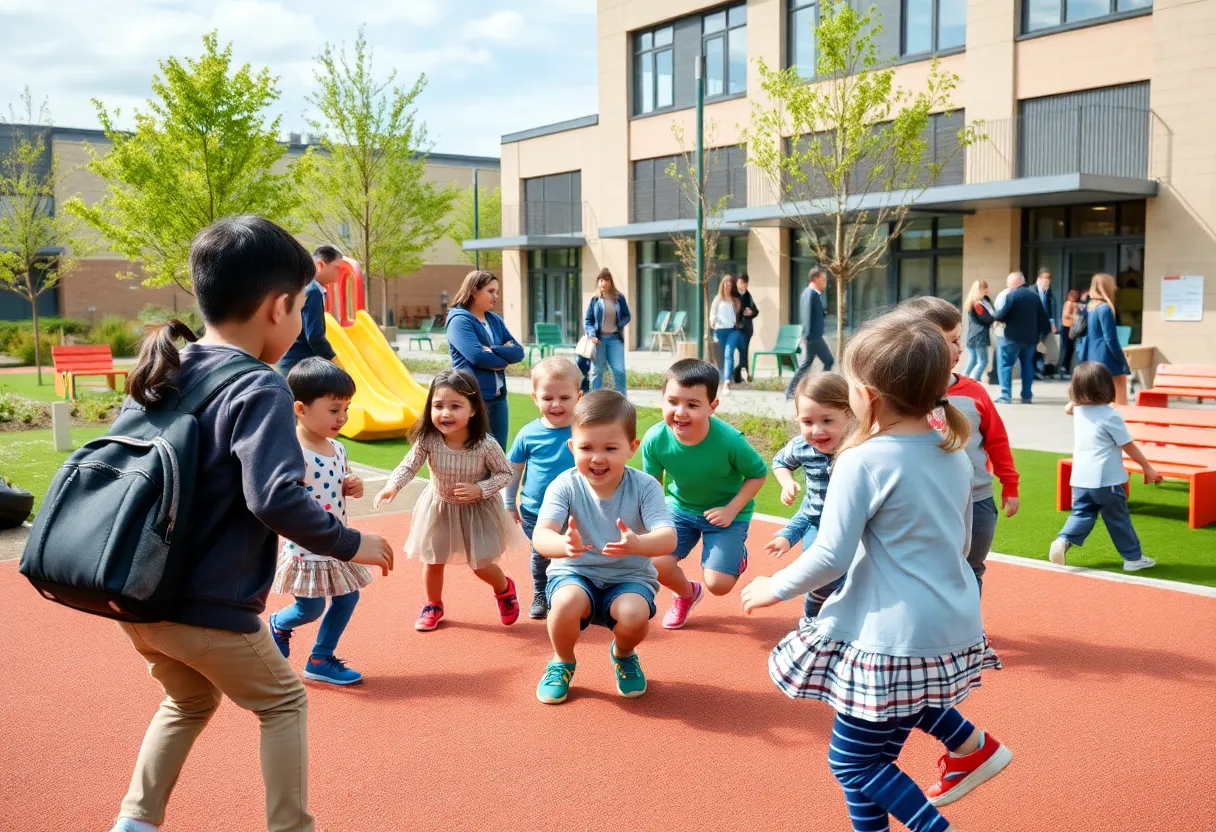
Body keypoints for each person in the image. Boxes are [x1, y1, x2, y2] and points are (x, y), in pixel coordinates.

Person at [108, 216, 393, 832]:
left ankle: (135, 821)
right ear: (278, 306)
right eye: (300, 310)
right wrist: (353, 542)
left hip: (138, 593)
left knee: (188, 698)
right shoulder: (257, 385)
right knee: (284, 700)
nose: (298, 327)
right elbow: (274, 498)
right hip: (206, 602)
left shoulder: (166, 371)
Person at [741, 314, 1010, 832]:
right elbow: (951, 541)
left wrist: (774, 585)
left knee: (852, 762)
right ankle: (970, 749)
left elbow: (831, 556)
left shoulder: (862, 459)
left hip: (893, 638)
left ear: (865, 394)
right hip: (949, 624)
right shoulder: (952, 451)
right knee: (868, 765)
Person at [532, 391, 677, 704]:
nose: (597, 457)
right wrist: (563, 544)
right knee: (567, 602)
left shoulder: (646, 486)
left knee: (634, 613)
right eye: (586, 447)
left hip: (629, 578)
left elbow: (668, 537)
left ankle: (623, 654)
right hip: (575, 572)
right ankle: (562, 660)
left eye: (610, 448)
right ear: (572, 447)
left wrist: (639, 543)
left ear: (631, 448)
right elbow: (541, 536)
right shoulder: (564, 484)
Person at [373, 368, 521, 631]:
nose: (445, 413)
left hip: (477, 511)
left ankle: (504, 588)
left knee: (481, 566)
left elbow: (505, 473)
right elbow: (409, 465)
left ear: (473, 409)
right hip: (439, 508)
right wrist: (392, 485)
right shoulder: (429, 439)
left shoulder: (485, 445)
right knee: (433, 559)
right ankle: (433, 604)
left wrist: (481, 488)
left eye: (455, 406)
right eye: (438, 405)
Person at [897, 296, 1020, 593]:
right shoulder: (902, 397)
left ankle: (966, 635)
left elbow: (997, 440)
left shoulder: (974, 391)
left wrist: (1010, 484)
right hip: (925, 503)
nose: (960, 348)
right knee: (926, 571)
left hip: (977, 500)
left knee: (972, 569)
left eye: (959, 339)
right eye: (950, 341)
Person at [268, 359, 374, 686]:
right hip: (308, 546)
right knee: (310, 609)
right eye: (333, 409)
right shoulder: (292, 452)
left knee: (348, 597)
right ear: (300, 408)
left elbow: (338, 480)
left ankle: (320, 658)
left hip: (336, 541)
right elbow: (284, 499)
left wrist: (351, 483)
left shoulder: (338, 448)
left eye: (346, 408)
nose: (342, 417)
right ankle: (277, 624)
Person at [641, 358, 768, 629]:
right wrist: (650, 526)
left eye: (692, 404)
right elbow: (651, 485)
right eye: (673, 402)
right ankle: (686, 594)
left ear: (712, 407)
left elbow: (758, 474)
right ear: (662, 400)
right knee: (655, 563)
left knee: (719, 585)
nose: (680, 412)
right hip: (680, 509)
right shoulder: (654, 439)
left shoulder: (729, 440)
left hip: (727, 514)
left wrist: (731, 509)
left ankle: (736, 556)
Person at [1051, 362, 1160, 572]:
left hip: (1080, 478)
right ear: (1106, 387)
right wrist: (1147, 467)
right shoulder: (1110, 416)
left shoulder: (1080, 411)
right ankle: (1133, 558)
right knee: (1118, 519)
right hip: (1106, 480)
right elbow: (1128, 446)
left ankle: (1063, 540)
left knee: (1081, 514)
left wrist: (1076, 397)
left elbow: (1068, 408)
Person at [763, 372, 853, 620]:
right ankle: (812, 618)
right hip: (818, 522)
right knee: (818, 577)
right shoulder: (801, 447)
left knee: (854, 578)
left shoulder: (857, 446)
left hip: (855, 525)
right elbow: (780, 462)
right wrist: (786, 482)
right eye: (807, 422)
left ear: (850, 415)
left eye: (827, 420)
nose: (817, 431)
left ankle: (848, 621)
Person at [505, 357, 583, 620]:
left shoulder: (584, 431)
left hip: (579, 509)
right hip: (535, 510)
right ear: (535, 398)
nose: (556, 404)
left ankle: (580, 593)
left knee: (577, 553)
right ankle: (541, 592)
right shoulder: (528, 434)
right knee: (541, 554)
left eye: (564, 397)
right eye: (548, 397)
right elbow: (513, 469)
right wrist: (508, 503)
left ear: (578, 396)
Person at [446, 270, 525, 448]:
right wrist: (504, 355)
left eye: (497, 291)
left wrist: (494, 349)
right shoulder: (459, 321)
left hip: (498, 399)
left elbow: (519, 352)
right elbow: (478, 357)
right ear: (474, 291)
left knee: (498, 455)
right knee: (474, 455)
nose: (496, 296)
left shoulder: (494, 319)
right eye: (490, 291)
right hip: (472, 399)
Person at [277, 244, 344, 375]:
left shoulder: (305, 286)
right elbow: (314, 336)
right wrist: (333, 360)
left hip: (292, 362)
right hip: (299, 365)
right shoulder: (313, 291)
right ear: (321, 265)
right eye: (336, 267)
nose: (339, 272)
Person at [993, 271, 1050, 404]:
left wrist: (993, 316)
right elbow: (1044, 319)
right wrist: (1042, 335)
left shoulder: (1012, 295)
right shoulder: (1035, 296)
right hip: (1030, 339)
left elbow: (1001, 315)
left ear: (1014, 283)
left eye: (1009, 284)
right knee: (1027, 365)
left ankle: (1006, 395)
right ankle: (1026, 394)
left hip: (1011, 338)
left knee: (1005, 365)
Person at [1076, 273, 1131, 405]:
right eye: (1113, 285)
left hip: (1092, 356)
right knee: (1119, 392)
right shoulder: (1105, 308)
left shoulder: (1090, 307)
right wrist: (1122, 361)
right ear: (1107, 287)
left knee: (1098, 395)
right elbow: (1110, 339)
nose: (1116, 288)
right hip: (1106, 358)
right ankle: (1121, 420)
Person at [787, 267, 834, 399]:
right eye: (823, 279)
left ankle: (790, 391)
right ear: (815, 279)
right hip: (813, 336)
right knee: (828, 360)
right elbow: (807, 315)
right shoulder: (811, 294)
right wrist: (808, 336)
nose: (825, 283)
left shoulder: (809, 293)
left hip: (812, 336)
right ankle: (822, 389)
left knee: (806, 364)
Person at [584, 267, 631, 395]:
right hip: (599, 340)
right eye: (599, 280)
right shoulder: (595, 299)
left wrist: (619, 324)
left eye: (604, 280)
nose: (602, 283)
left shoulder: (618, 298)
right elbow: (588, 320)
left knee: (619, 370)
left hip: (615, 339)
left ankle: (622, 401)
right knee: (597, 371)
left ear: (610, 281)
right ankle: (595, 401)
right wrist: (592, 334)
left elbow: (627, 315)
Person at [708, 274, 743, 395]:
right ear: (722, 286)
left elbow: (738, 315)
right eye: (725, 284)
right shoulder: (717, 300)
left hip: (732, 331)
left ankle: (727, 381)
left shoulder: (735, 300)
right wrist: (713, 323)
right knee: (721, 358)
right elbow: (712, 314)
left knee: (729, 355)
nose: (727, 287)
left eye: (729, 284)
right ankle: (722, 380)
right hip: (720, 331)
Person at [962, 279, 996, 380]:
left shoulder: (982, 301)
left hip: (973, 335)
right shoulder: (977, 304)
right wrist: (997, 317)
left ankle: (963, 379)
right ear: (980, 290)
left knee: (973, 360)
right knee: (983, 361)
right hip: (979, 336)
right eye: (985, 289)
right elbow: (986, 319)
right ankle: (974, 380)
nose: (987, 291)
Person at [732, 273, 759, 384]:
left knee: (744, 352)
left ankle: (740, 375)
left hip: (746, 328)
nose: (743, 285)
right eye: (741, 282)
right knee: (737, 352)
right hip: (735, 328)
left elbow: (756, 311)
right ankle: (737, 373)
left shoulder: (748, 295)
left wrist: (751, 312)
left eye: (745, 282)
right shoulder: (733, 295)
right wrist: (743, 312)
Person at [1033, 268, 1060, 379]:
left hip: (1046, 326)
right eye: (1044, 277)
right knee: (1033, 349)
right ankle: (1036, 371)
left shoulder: (1049, 294)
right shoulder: (1031, 291)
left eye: (1048, 278)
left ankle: (1049, 371)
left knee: (1053, 349)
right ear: (1038, 279)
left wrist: (1053, 324)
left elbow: (1050, 311)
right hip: (1033, 326)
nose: (1047, 280)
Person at [1059, 289, 1081, 379]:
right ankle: (1063, 367)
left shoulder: (1076, 304)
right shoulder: (1069, 303)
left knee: (1070, 349)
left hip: (1072, 327)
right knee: (1066, 348)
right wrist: (1076, 317)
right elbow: (1066, 314)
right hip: (1067, 327)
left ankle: (1067, 368)